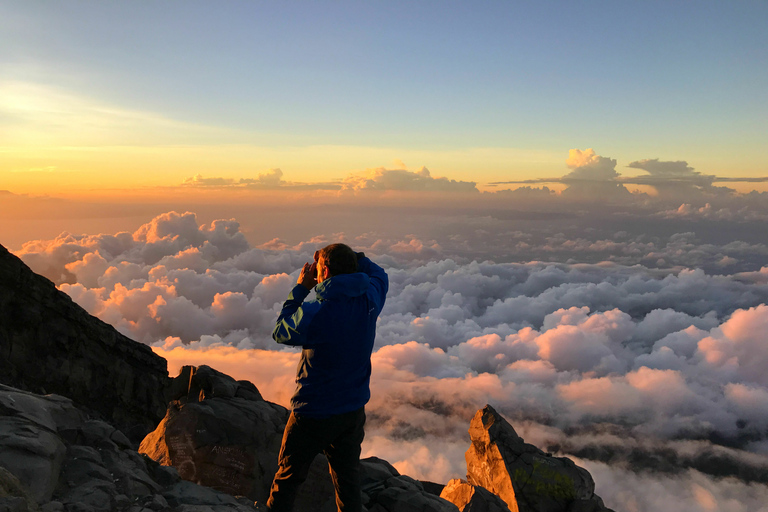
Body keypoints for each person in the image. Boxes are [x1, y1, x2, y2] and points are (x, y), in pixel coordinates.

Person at [266, 243, 388, 512]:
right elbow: (379, 274)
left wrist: (301, 288)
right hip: (352, 410)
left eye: (319, 268)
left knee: (288, 479)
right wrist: (355, 259)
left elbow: (280, 331)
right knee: (347, 482)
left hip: (312, 413)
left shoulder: (314, 313)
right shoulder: (370, 298)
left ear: (325, 271)